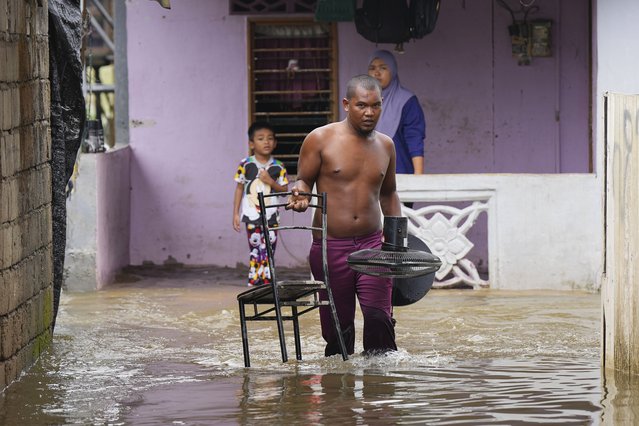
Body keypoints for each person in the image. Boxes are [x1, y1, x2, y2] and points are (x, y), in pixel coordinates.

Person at [286, 75, 402, 356]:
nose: (369, 113)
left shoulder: (386, 145)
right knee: (339, 329)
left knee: (379, 319)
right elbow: (303, 180)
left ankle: (381, 393)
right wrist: (299, 194)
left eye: (375, 106)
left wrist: (398, 244)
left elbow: (389, 194)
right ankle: (338, 395)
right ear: (346, 104)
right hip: (330, 246)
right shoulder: (320, 139)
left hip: (373, 246)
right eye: (362, 105)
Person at [233, 122, 289, 286]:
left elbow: (284, 191)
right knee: (256, 248)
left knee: (270, 249)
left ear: (275, 143)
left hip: (271, 216)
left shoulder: (278, 166)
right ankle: (254, 281)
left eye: (270, 138)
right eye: (261, 138)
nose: (266, 142)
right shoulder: (245, 164)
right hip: (251, 214)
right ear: (251, 144)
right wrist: (236, 213)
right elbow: (239, 189)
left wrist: (269, 181)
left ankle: (268, 281)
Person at [367, 49, 425, 177]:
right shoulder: (363, 100)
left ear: (392, 71)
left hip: (399, 173)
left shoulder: (406, 101)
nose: (376, 73)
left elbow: (414, 138)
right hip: (367, 175)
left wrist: (419, 176)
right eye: (372, 68)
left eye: (383, 68)